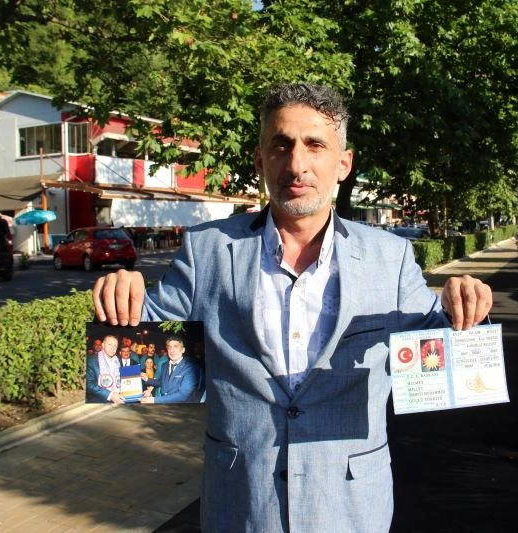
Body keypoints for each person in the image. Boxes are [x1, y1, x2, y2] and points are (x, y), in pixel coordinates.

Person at [93, 83, 493, 532]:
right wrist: (122, 295)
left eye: (315, 145)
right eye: (281, 145)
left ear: (344, 163)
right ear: (260, 160)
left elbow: (445, 350)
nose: (297, 164)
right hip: (242, 505)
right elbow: (136, 349)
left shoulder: (390, 257)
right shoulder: (207, 251)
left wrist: (466, 307)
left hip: (351, 507)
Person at [140, 336, 200, 404]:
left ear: (183, 350)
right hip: (165, 405)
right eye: (169, 347)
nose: (172, 350)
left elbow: (182, 395)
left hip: (181, 407)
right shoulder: (165, 365)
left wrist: (154, 400)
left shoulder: (191, 368)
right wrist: (147, 379)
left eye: (175, 347)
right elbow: (162, 382)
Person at [85, 334, 124, 405]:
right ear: (103, 345)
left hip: (118, 399)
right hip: (99, 401)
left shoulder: (118, 360)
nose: (113, 348)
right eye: (110, 344)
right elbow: (88, 383)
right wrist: (110, 395)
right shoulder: (92, 360)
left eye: (115, 346)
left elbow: (121, 378)